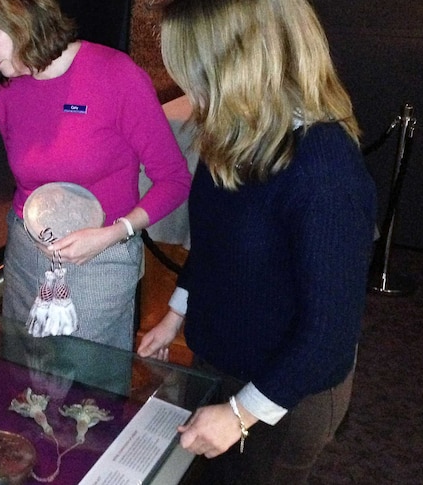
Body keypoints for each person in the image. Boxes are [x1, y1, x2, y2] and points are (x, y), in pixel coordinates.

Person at [137, 0, 377, 483]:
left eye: (196, 71)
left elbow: (329, 335)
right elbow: (214, 244)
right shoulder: (233, 132)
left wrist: (241, 413)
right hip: (219, 360)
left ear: (241, 63)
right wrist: (175, 314)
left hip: (287, 392)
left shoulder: (324, 169)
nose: (188, 88)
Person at [0, 0, 191, 352]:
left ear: (25, 17)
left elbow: (174, 179)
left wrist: (115, 232)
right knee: (23, 369)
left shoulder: (115, 74)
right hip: (26, 250)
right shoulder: (2, 86)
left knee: (89, 387)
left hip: (102, 253)